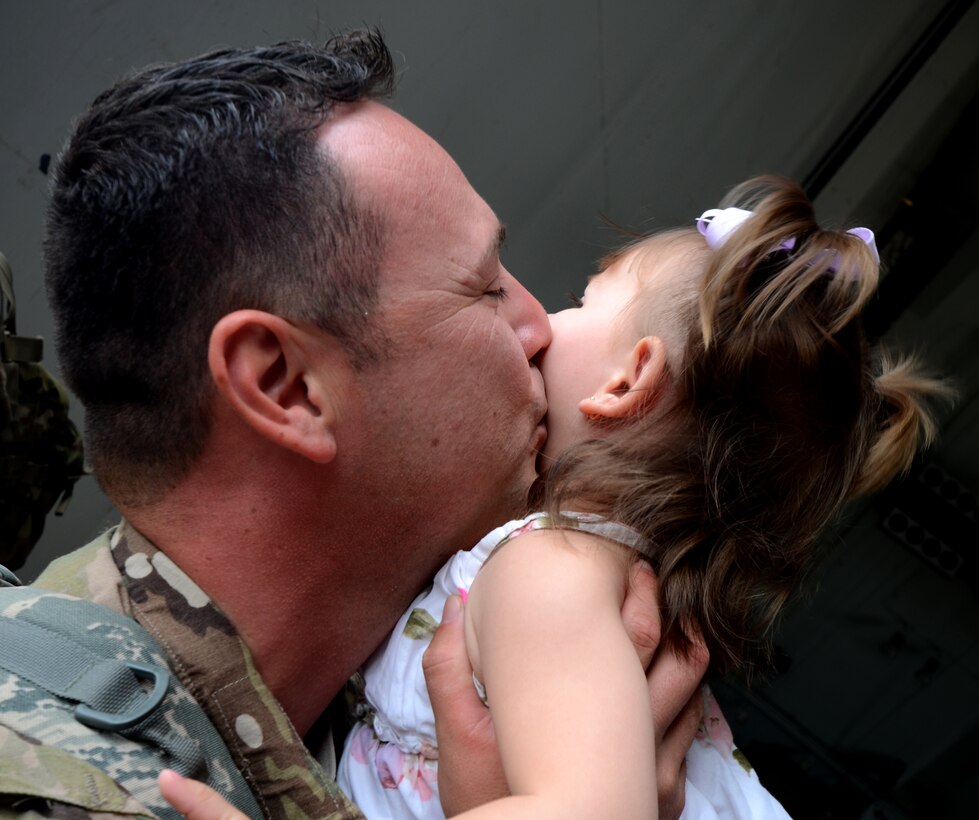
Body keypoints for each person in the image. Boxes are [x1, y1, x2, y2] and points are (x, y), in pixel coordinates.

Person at [0, 31, 704, 820]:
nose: (539, 326)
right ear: (286, 385)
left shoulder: (395, 711)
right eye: (483, 289)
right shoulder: (59, 786)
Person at [324, 177, 945, 819]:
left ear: (627, 382)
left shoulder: (548, 572)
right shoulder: (590, 579)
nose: (540, 323)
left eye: (579, 302)